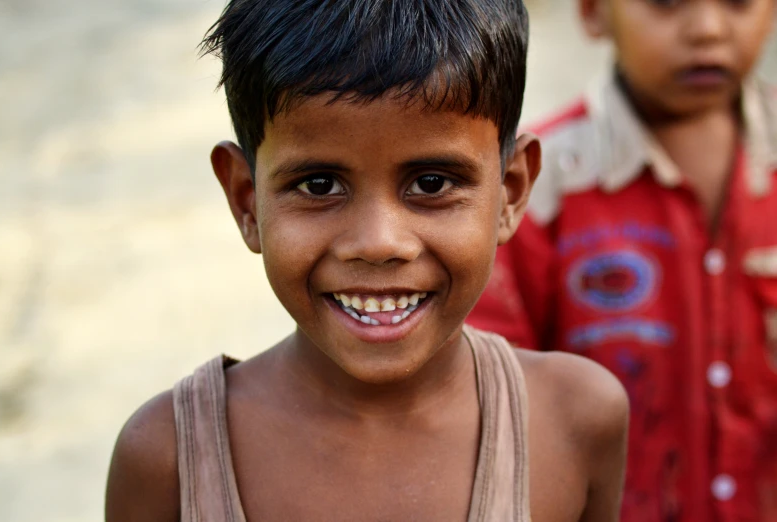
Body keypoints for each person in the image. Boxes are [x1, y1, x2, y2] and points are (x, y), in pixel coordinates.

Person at [104, 0, 629, 520]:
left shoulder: (575, 422)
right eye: (319, 185)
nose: (379, 243)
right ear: (246, 200)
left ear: (510, 192)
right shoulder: (168, 459)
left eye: (431, 183)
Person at [468, 0, 777, 520]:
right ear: (593, 14)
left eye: (739, 2)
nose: (707, 29)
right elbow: (489, 389)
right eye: (666, 4)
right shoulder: (534, 188)